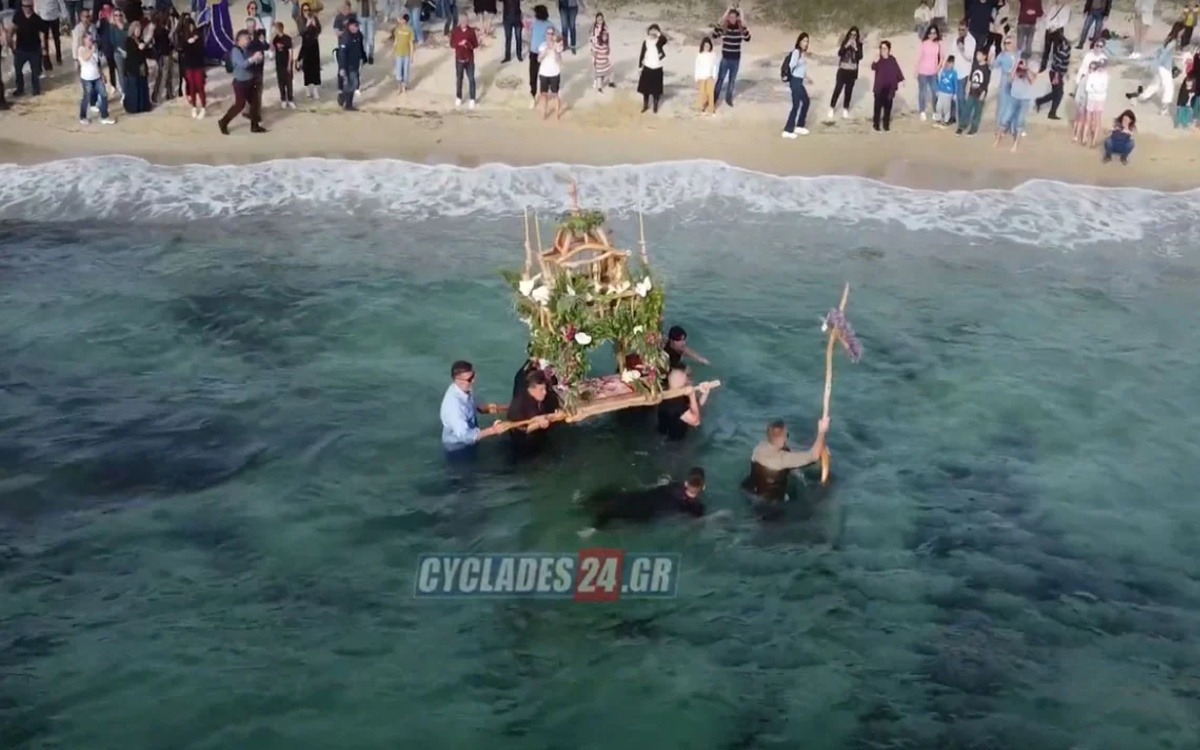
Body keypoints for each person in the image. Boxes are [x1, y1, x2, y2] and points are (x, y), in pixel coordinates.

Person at [585, 467, 707, 530]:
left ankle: (590, 511)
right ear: (703, 487)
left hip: (642, 496)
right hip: (647, 512)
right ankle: (594, 528)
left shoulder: (675, 485)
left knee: (613, 502)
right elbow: (696, 522)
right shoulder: (696, 507)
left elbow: (661, 484)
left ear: (686, 483)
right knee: (616, 513)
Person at [741, 418, 830, 502]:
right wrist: (821, 432)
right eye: (787, 435)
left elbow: (787, 455)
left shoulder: (758, 448)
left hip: (750, 493)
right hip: (771, 506)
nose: (787, 438)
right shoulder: (782, 459)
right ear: (782, 439)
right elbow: (814, 455)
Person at [439, 360, 507, 455]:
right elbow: (466, 436)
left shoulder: (464, 388)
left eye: (473, 375)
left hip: (470, 432)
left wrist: (483, 409)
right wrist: (493, 430)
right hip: (458, 448)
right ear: (457, 380)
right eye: (469, 379)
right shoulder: (453, 408)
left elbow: (470, 405)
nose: (473, 381)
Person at [218, 30, 266, 132]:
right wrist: (254, 58)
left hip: (250, 81)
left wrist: (258, 59)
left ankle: (254, 126)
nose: (248, 40)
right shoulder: (236, 51)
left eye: (248, 38)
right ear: (239, 40)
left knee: (255, 103)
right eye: (246, 39)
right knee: (239, 105)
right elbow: (243, 64)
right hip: (241, 83)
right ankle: (223, 122)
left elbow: (251, 62)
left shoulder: (246, 49)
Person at [505, 370, 558, 459]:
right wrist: (538, 424)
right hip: (523, 446)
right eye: (541, 389)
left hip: (541, 438)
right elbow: (517, 431)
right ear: (531, 389)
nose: (544, 392)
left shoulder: (543, 399)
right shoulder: (519, 406)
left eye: (545, 389)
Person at [656, 367, 712, 441]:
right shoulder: (677, 405)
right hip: (674, 440)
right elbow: (696, 421)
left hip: (662, 431)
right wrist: (692, 395)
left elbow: (696, 406)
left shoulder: (664, 393)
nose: (689, 382)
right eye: (686, 380)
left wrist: (706, 392)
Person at [711, 7, 750, 108]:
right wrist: (725, 14)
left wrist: (742, 17)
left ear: (737, 18)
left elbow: (747, 38)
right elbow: (714, 35)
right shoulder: (725, 27)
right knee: (720, 79)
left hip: (735, 59)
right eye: (730, 17)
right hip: (725, 58)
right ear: (728, 17)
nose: (732, 19)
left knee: (732, 80)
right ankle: (714, 97)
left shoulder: (740, 28)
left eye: (734, 17)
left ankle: (728, 98)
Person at [995, 56, 1035, 151]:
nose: (1020, 69)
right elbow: (1011, 77)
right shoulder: (1015, 73)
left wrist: (1026, 69)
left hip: (1024, 100)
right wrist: (1016, 64)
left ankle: (1015, 145)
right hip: (1014, 98)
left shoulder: (1028, 74)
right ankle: (997, 141)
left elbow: (1032, 80)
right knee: (1004, 119)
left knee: (1019, 122)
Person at [77, 32, 115, 124]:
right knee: (86, 97)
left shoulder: (94, 50)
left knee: (104, 95)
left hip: (96, 77)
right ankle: (82, 116)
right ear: (84, 40)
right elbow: (85, 58)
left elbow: (96, 64)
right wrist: (92, 51)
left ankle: (104, 116)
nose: (91, 41)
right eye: (89, 39)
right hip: (86, 78)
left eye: (92, 39)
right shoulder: (81, 49)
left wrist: (102, 74)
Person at [12, 1, 47, 98]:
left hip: (34, 49)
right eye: (24, 6)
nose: (27, 8)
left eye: (29, 6)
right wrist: (11, 43)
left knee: (35, 71)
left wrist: (44, 48)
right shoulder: (18, 16)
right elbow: (13, 29)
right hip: (21, 48)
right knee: (18, 70)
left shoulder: (37, 19)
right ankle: (20, 88)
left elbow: (43, 33)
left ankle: (36, 89)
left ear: (32, 6)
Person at [827, 26, 862, 121]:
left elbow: (860, 57)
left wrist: (855, 48)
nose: (853, 37)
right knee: (838, 89)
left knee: (848, 91)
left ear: (857, 36)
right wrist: (846, 46)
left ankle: (845, 108)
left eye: (855, 35)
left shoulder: (859, 45)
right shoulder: (845, 42)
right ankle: (832, 107)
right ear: (849, 35)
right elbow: (840, 53)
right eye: (851, 34)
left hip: (852, 71)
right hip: (842, 70)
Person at [781, 32, 812, 138]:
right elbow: (791, 66)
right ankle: (787, 130)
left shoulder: (802, 53)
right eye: (804, 41)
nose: (806, 43)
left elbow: (801, 69)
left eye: (807, 41)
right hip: (795, 81)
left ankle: (799, 125)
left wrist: (807, 77)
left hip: (799, 80)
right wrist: (788, 78)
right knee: (796, 104)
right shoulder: (796, 52)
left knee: (806, 101)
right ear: (799, 42)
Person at [1034, 28, 1069, 119]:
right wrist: (1057, 76)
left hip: (1056, 72)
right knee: (1058, 93)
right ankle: (1043, 103)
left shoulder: (1060, 46)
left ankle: (1048, 109)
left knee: (1057, 93)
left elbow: (1061, 62)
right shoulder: (1063, 47)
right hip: (1056, 73)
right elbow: (1059, 63)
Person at [956, 46, 990, 134]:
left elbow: (986, 82)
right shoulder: (975, 65)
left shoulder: (987, 69)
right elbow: (971, 78)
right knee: (967, 109)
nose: (977, 56)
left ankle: (974, 128)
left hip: (980, 93)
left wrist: (983, 93)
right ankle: (962, 126)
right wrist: (968, 87)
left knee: (977, 112)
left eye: (979, 54)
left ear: (984, 56)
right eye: (977, 54)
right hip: (972, 92)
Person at [871, 40, 904, 131]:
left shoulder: (892, 59)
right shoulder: (878, 59)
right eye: (881, 48)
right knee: (877, 108)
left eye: (885, 48)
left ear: (889, 49)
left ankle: (886, 125)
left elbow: (897, 70)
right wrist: (875, 61)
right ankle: (876, 125)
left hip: (890, 88)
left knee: (888, 108)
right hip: (879, 87)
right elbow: (873, 67)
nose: (883, 50)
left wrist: (902, 80)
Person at [1135, 41, 1175, 114]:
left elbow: (1159, 53)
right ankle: (1164, 108)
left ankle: (1143, 96)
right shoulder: (1172, 42)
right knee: (1168, 87)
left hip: (1159, 67)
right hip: (1164, 68)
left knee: (1156, 83)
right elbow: (1164, 55)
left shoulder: (1168, 41)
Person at [178, 16, 206, 117]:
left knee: (200, 86)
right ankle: (194, 107)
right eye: (188, 26)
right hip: (189, 65)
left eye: (192, 25)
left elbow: (202, 50)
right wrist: (187, 43)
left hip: (198, 65)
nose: (190, 28)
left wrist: (195, 40)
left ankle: (203, 107)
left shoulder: (199, 36)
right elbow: (181, 49)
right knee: (192, 86)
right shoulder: (184, 37)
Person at [122, 20, 152, 113]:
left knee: (142, 86)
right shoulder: (129, 40)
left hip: (141, 66)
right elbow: (130, 54)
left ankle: (143, 106)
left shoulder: (141, 40)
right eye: (136, 29)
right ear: (133, 30)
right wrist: (138, 48)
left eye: (139, 29)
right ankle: (133, 107)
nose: (138, 31)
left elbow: (144, 53)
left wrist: (146, 48)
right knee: (134, 88)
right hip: (133, 67)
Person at [337, 16, 367, 109]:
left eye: (357, 26)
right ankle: (347, 104)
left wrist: (364, 57)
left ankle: (344, 98)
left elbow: (361, 47)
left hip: (355, 63)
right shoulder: (345, 37)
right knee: (350, 84)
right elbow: (342, 53)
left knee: (353, 84)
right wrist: (342, 68)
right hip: (347, 65)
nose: (356, 28)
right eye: (355, 26)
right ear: (349, 26)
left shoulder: (358, 35)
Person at [637, 23, 667, 113]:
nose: (653, 33)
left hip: (657, 67)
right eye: (651, 30)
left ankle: (655, 105)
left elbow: (665, 40)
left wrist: (658, 33)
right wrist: (640, 67)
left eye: (655, 30)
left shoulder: (659, 41)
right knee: (645, 89)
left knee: (656, 90)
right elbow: (642, 55)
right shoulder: (646, 41)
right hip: (647, 66)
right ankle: (645, 105)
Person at [450, 15, 479, 108]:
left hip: (469, 60)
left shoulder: (471, 31)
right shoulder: (455, 31)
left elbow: (475, 44)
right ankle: (458, 97)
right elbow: (452, 44)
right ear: (459, 22)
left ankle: (472, 99)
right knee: (459, 79)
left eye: (466, 21)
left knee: (471, 79)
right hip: (459, 59)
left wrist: (468, 44)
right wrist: (459, 44)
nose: (464, 23)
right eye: (462, 21)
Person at [527, 4, 554, 103]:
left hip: (544, 53)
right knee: (534, 75)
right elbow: (530, 35)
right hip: (534, 53)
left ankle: (542, 94)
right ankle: (534, 95)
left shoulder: (549, 25)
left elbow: (557, 36)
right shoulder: (534, 23)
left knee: (540, 76)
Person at [916, 25, 942, 121]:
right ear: (928, 34)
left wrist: (938, 67)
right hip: (923, 71)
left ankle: (935, 111)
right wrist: (916, 69)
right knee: (923, 92)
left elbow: (942, 57)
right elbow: (919, 57)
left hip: (933, 73)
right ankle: (922, 111)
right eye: (930, 33)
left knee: (935, 92)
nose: (932, 35)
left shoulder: (939, 44)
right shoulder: (924, 43)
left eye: (934, 33)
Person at [298, 3, 322, 98]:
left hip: (314, 44)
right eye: (305, 10)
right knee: (307, 67)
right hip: (306, 44)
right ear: (302, 11)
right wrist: (307, 25)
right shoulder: (300, 20)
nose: (307, 12)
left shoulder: (314, 18)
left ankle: (315, 89)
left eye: (308, 10)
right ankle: (308, 88)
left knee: (315, 67)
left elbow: (319, 30)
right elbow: (301, 32)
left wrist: (315, 24)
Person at [35, 0, 67, 71]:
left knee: (57, 39)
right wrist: (37, 15)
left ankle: (58, 57)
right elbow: (37, 4)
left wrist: (64, 15)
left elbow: (61, 3)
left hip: (54, 17)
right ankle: (47, 60)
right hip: (43, 18)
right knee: (44, 41)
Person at [1038, 0, 1069, 70]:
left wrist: (1055, 27)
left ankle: (1054, 66)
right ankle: (1043, 66)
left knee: (1056, 49)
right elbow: (1048, 17)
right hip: (1049, 29)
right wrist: (1049, 26)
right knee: (1046, 48)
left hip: (1058, 30)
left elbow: (1065, 20)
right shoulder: (1054, 7)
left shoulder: (1066, 8)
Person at [272, 21, 295, 107]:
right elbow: (272, 48)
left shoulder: (287, 38)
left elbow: (290, 51)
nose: (275, 30)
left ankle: (290, 99)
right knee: (281, 82)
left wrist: (289, 64)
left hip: (286, 62)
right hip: (279, 64)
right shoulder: (275, 39)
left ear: (280, 28)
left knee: (288, 82)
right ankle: (283, 99)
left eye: (276, 28)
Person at [391, 13, 414, 90]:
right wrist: (393, 49)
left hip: (406, 54)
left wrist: (412, 55)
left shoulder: (410, 30)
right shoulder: (398, 29)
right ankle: (399, 86)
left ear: (405, 20)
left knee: (405, 71)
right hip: (398, 53)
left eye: (402, 19)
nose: (401, 20)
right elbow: (396, 40)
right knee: (398, 70)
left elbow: (411, 43)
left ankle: (404, 86)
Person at [590, 12, 612, 91]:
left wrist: (608, 47)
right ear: (596, 19)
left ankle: (601, 79)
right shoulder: (593, 28)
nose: (600, 20)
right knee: (595, 65)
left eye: (601, 19)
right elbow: (591, 39)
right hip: (595, 47)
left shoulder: (605, 27)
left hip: (603, 48)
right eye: (598, 19)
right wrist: (592, 49)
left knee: (603, 65)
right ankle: (596, 80)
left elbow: (607, 38)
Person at [695, 36, 716, 114]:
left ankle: (711, 109)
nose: (707, 47)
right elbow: (697, 66)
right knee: (702, 93)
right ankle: (701, 107)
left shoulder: (713, 54)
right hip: (701, 76)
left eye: (708, 45)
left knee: (710, 93)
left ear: (710, 46)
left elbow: (714, 66)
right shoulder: (699, 55)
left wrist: (714, 75)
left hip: (709, 76)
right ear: (702, 46)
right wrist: (696, 77)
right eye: (705, 45)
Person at [934, 54, 957, 126]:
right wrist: (938, 90)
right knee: (939, 106)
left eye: (951, 63)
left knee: (946, 108)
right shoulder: (943, 71)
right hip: (941, 92)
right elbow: (940, 81)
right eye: (949, 62)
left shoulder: (954, 73)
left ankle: (946, 120)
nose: (950, 64)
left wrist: (955, 94)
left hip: (948, 93)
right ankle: (938, 119)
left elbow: (955, 84)